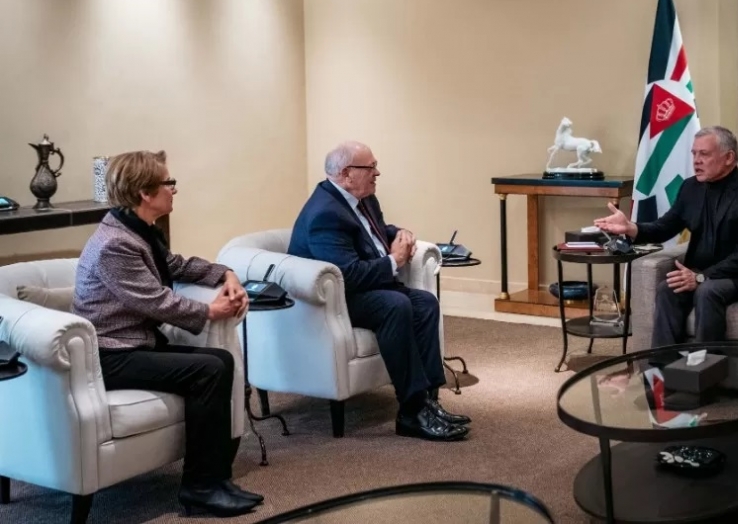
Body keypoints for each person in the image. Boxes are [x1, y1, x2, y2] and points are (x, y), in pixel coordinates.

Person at [72, 150, 264, 517]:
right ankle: (200, 489)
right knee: (210, 368)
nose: (174, 190)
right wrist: (211, 310)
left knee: (219, 362)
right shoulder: (115, 244)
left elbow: (177, 265)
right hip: (109, 355)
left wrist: (226, 274)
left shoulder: (136, 230)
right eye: (168, 183)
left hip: (132, 345)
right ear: (145, 193)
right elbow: (155, 301)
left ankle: (213, 479)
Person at [288, 141, 470, 442]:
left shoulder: (363, 198)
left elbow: (374, 232)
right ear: (347, 174)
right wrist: (394, 260)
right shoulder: (325, 214)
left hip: (362, 288)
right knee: (395, 305)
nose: (377, 173)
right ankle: (411, 412)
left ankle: (429, 402)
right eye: (371, 167)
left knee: (425, 303)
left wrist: (399, 234)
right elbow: (348, 275)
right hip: (334, 300)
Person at [595, 127, 738, 347]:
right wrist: (630, 228)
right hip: (702, 271)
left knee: (708, 291)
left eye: (704, 154)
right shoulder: (691, 187)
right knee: (667, 288)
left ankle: (705, 364)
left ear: (729, 157)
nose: (696, 160)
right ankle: (662, 364)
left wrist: (701, 277)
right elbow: (664, 227)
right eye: (694, 153)